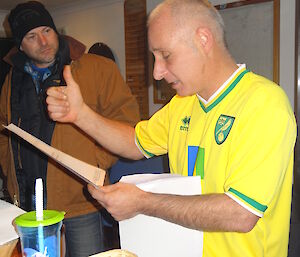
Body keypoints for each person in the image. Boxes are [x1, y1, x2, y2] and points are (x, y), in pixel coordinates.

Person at [46, 0, 297, 256]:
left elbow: (240, 214)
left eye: (165, 55)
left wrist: (142, 202)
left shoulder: (264, 104)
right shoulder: (183, 103)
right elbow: (135, 143)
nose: (157, 72)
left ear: (203, 39)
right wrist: (80, 115)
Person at [0, 1, 140, 257]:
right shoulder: (12, 79)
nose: (43, 41)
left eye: (47, 31)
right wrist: (9, 174)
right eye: (32, 36)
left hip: (80, 198)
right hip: (30, 203)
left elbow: (127, 120)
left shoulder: (97, 69)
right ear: (20, 45)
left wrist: (96, 164)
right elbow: (4, 129)